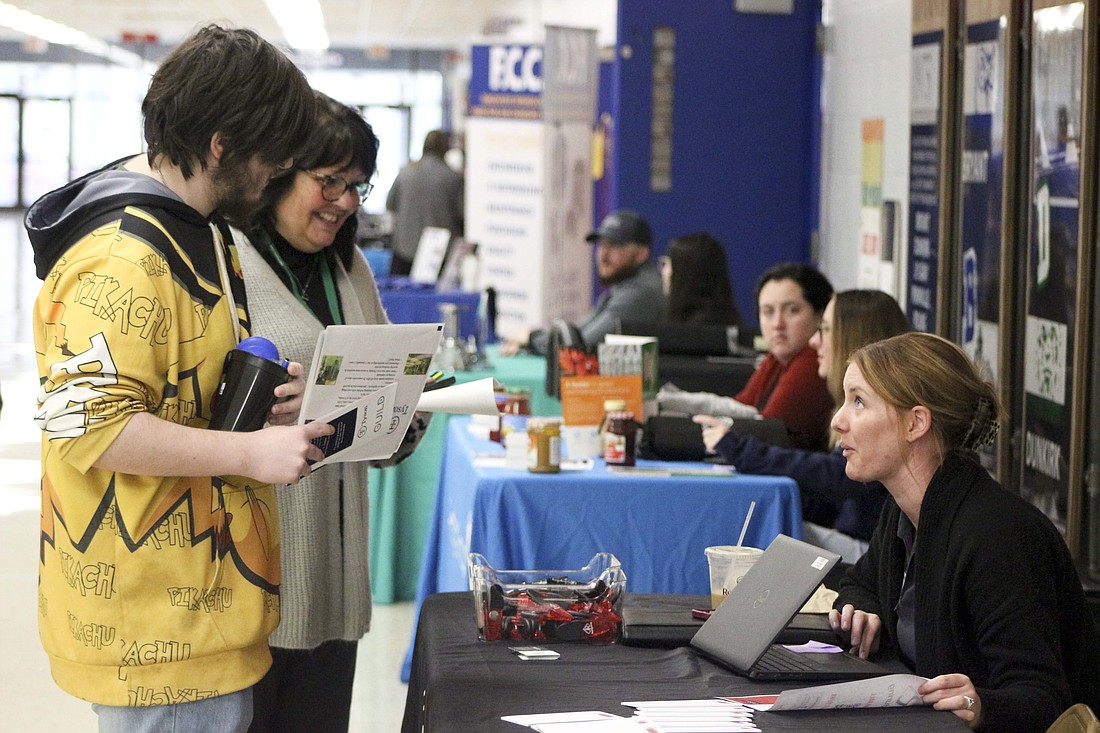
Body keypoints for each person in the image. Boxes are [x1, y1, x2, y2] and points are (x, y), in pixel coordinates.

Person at [26, 25, 333, 731]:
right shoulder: (122, 257)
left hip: (205, 607)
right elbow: (91, 429)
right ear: (222, 144)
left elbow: (169, 389)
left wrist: (255, 404)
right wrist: (248, 453)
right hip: (154, 625)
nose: (277, 176)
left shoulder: (205, 231)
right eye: (271, 159)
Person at [230, 91, 430, 733]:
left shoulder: (347, 265)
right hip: (252, 577)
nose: (345, 202)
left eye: (358, 186)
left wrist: (407, 409)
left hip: (335, 583)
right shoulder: (225, 259)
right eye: (329, 182)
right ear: (279, 173)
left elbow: (385, 381)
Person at [828, 332, 1100, 731]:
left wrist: (980, 704)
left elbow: (1043, 697)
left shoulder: (997, 536)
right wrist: (860, 609)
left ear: (916, 423)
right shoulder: (903, 510)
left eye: (858, 401)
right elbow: (860, 583)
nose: (838, 419)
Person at [695, 290, 910, 561]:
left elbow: (837, 476)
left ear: (853, 339)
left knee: (758, 533)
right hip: (862, 542)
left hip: (874, 553)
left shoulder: (886, 405)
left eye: (826, 330)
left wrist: (743, 450)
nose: (814, 341)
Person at [659, 261, 834, 450]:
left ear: (820, 316)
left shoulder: (812, 360)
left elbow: (765, 432)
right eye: (767, 312)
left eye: (792, 310)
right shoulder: (779, 357)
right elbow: (740, 408)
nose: (777, 324)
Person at [499, 209, 665, 356]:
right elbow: (578, 333)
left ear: (641, 254)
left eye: (615, 246)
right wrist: (536, 339)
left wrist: (531, 337)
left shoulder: (641, 292)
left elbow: (578, 348)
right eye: (601, 245)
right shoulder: (627, 284)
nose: (603, 255)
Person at [384, 129, 464, 276]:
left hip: (404, 250)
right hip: (439, 255)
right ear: (446, 147)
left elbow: (390, 205)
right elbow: (462, 215)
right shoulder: (453, 178)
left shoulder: (405, 173)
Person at [660, 231, 743, 328]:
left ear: (685, 273)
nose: (663, 271)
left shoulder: (700, 329)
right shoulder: (723, 316)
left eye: (666, 264)